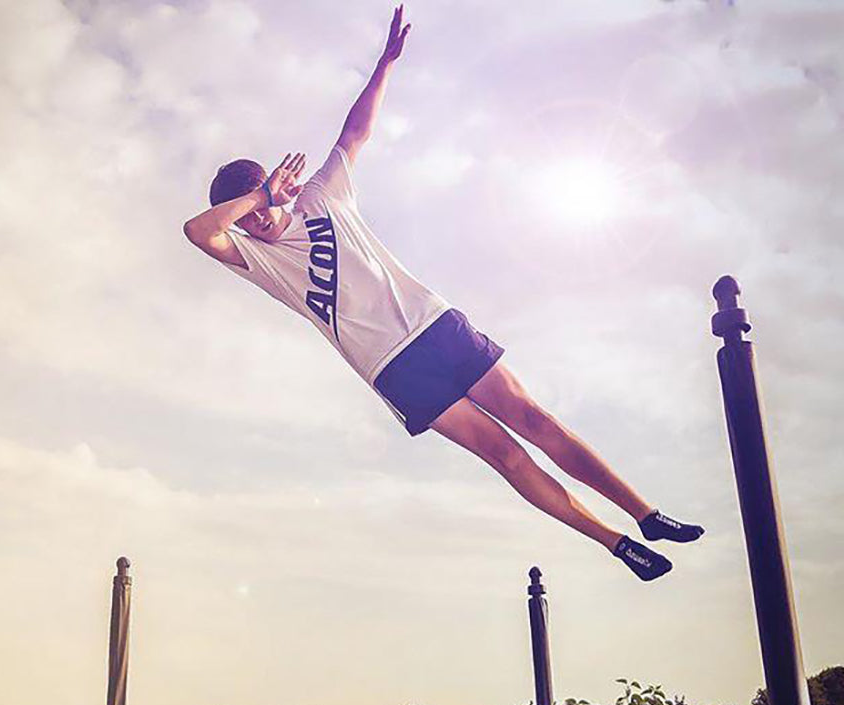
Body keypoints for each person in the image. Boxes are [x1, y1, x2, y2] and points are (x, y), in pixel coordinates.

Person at [182, 5, 704, 581]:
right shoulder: (259, 260)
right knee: (506, 457)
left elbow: (356, 131)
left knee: (535, 419)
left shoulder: (321, 195)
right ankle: (616, 543)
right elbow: (199, 232)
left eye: (256, 197)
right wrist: (258, 202)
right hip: (394, 368)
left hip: (436, 325)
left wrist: (384, 64)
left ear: (275, 183)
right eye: (243, 211)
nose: (251, 220)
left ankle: (646, 513)